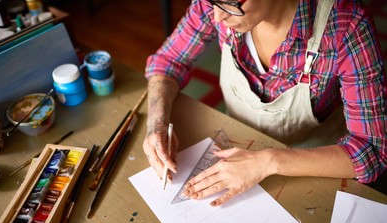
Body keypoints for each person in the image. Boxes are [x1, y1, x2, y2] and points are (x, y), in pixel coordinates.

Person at [143, 0, 387, 206]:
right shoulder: (216, 5)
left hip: (315, 165)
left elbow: (372, 150)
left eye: (229, 2)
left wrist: (268, 161)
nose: (217, 16)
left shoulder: (346, 25)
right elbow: (168, 60)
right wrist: (157, 124)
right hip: (237, 143)